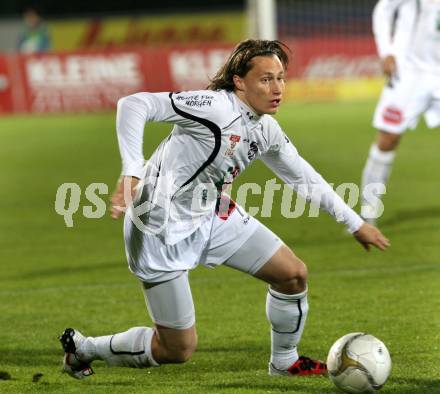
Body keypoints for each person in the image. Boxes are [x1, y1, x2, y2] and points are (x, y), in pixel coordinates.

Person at [59, 39, 390, 380]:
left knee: (292, 275)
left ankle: (284, 362)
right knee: (177, 349)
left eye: (281, 78)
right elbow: (134, 104)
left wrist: (354, 223)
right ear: (239, 81)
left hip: (213, 217)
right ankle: (84, 349)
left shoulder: (265, 128)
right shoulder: (214, 108)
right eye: (266, 79)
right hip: (159, 229)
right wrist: (132, 169)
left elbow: (305, 178)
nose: (277, 88)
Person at [360, 0, 440, 224]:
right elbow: (383, 10)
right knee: (388, 138)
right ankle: (368, 215)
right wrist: (386, 51)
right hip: (409, 72)